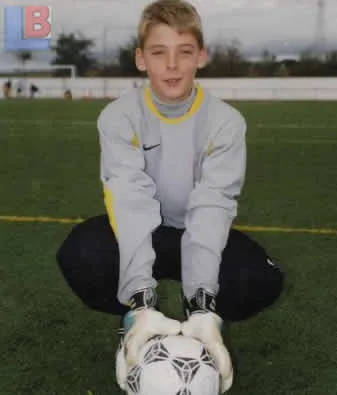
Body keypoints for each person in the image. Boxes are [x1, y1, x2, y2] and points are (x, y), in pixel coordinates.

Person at [56, 0, 284, 392]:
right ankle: (139, 324)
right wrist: (141, 301)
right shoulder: (118, 117)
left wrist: (202, 304)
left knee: (261, 280)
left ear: (202, 56)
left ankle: (195, 322)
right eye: (159, 53)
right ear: (141, 59)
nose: (172, 65)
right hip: (142, 231)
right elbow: (130, 203)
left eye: (185, 52)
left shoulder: (226, 123)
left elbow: (211, 208)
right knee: (80, 254)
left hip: (197, 230)